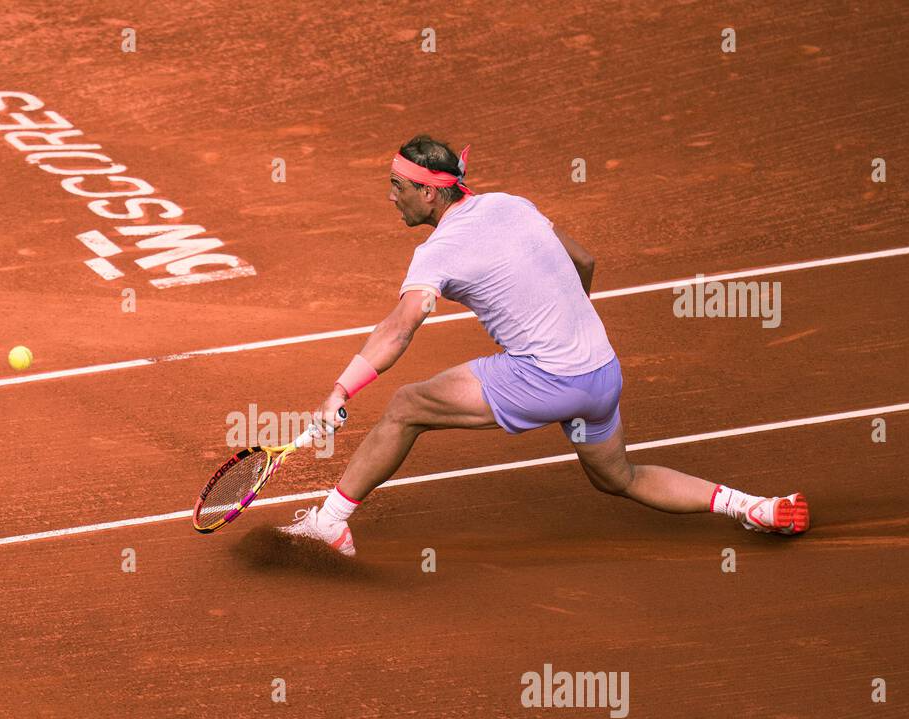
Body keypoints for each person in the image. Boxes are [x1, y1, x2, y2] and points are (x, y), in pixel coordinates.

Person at [281, 135, 808, 557]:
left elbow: (402, 325)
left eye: (397, 186)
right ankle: (755, 506)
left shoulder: (436, 252)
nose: (390, 195)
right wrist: (562, 323)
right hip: (600, 373)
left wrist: (341, 389)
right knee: (619, 477)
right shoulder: (513, 205)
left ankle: (330, 523)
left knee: (405, 407)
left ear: (429, 193)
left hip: (545, 379)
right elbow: (584, 262)